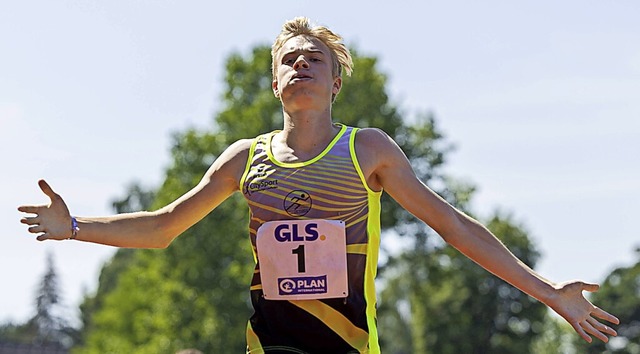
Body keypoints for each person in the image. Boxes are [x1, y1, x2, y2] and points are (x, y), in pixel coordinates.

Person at [18, 17, 619, 354]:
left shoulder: (368, 150)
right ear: (275, 82)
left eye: (315, 60)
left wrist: (550, 294)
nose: (300, 64)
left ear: (335, 84)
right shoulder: (243, 159)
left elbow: (455, 228)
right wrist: (74, 228)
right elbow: (161, 227)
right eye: (289, 60)